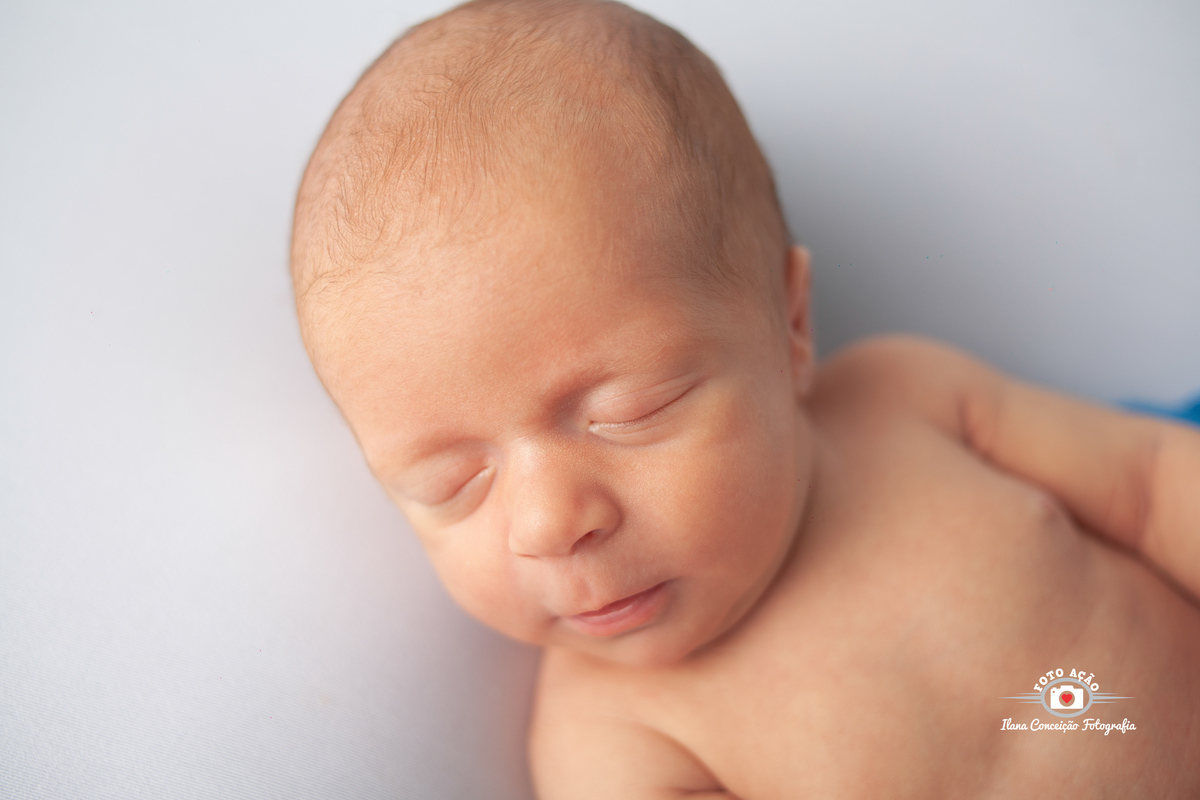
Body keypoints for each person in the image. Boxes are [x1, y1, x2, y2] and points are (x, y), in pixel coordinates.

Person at [289, 1, 1200, 796]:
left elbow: (1154, 480)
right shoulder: (612, 742)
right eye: (451, 483)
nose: (549, 523)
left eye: (630, 410)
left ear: (790, 326)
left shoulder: (909, 399)